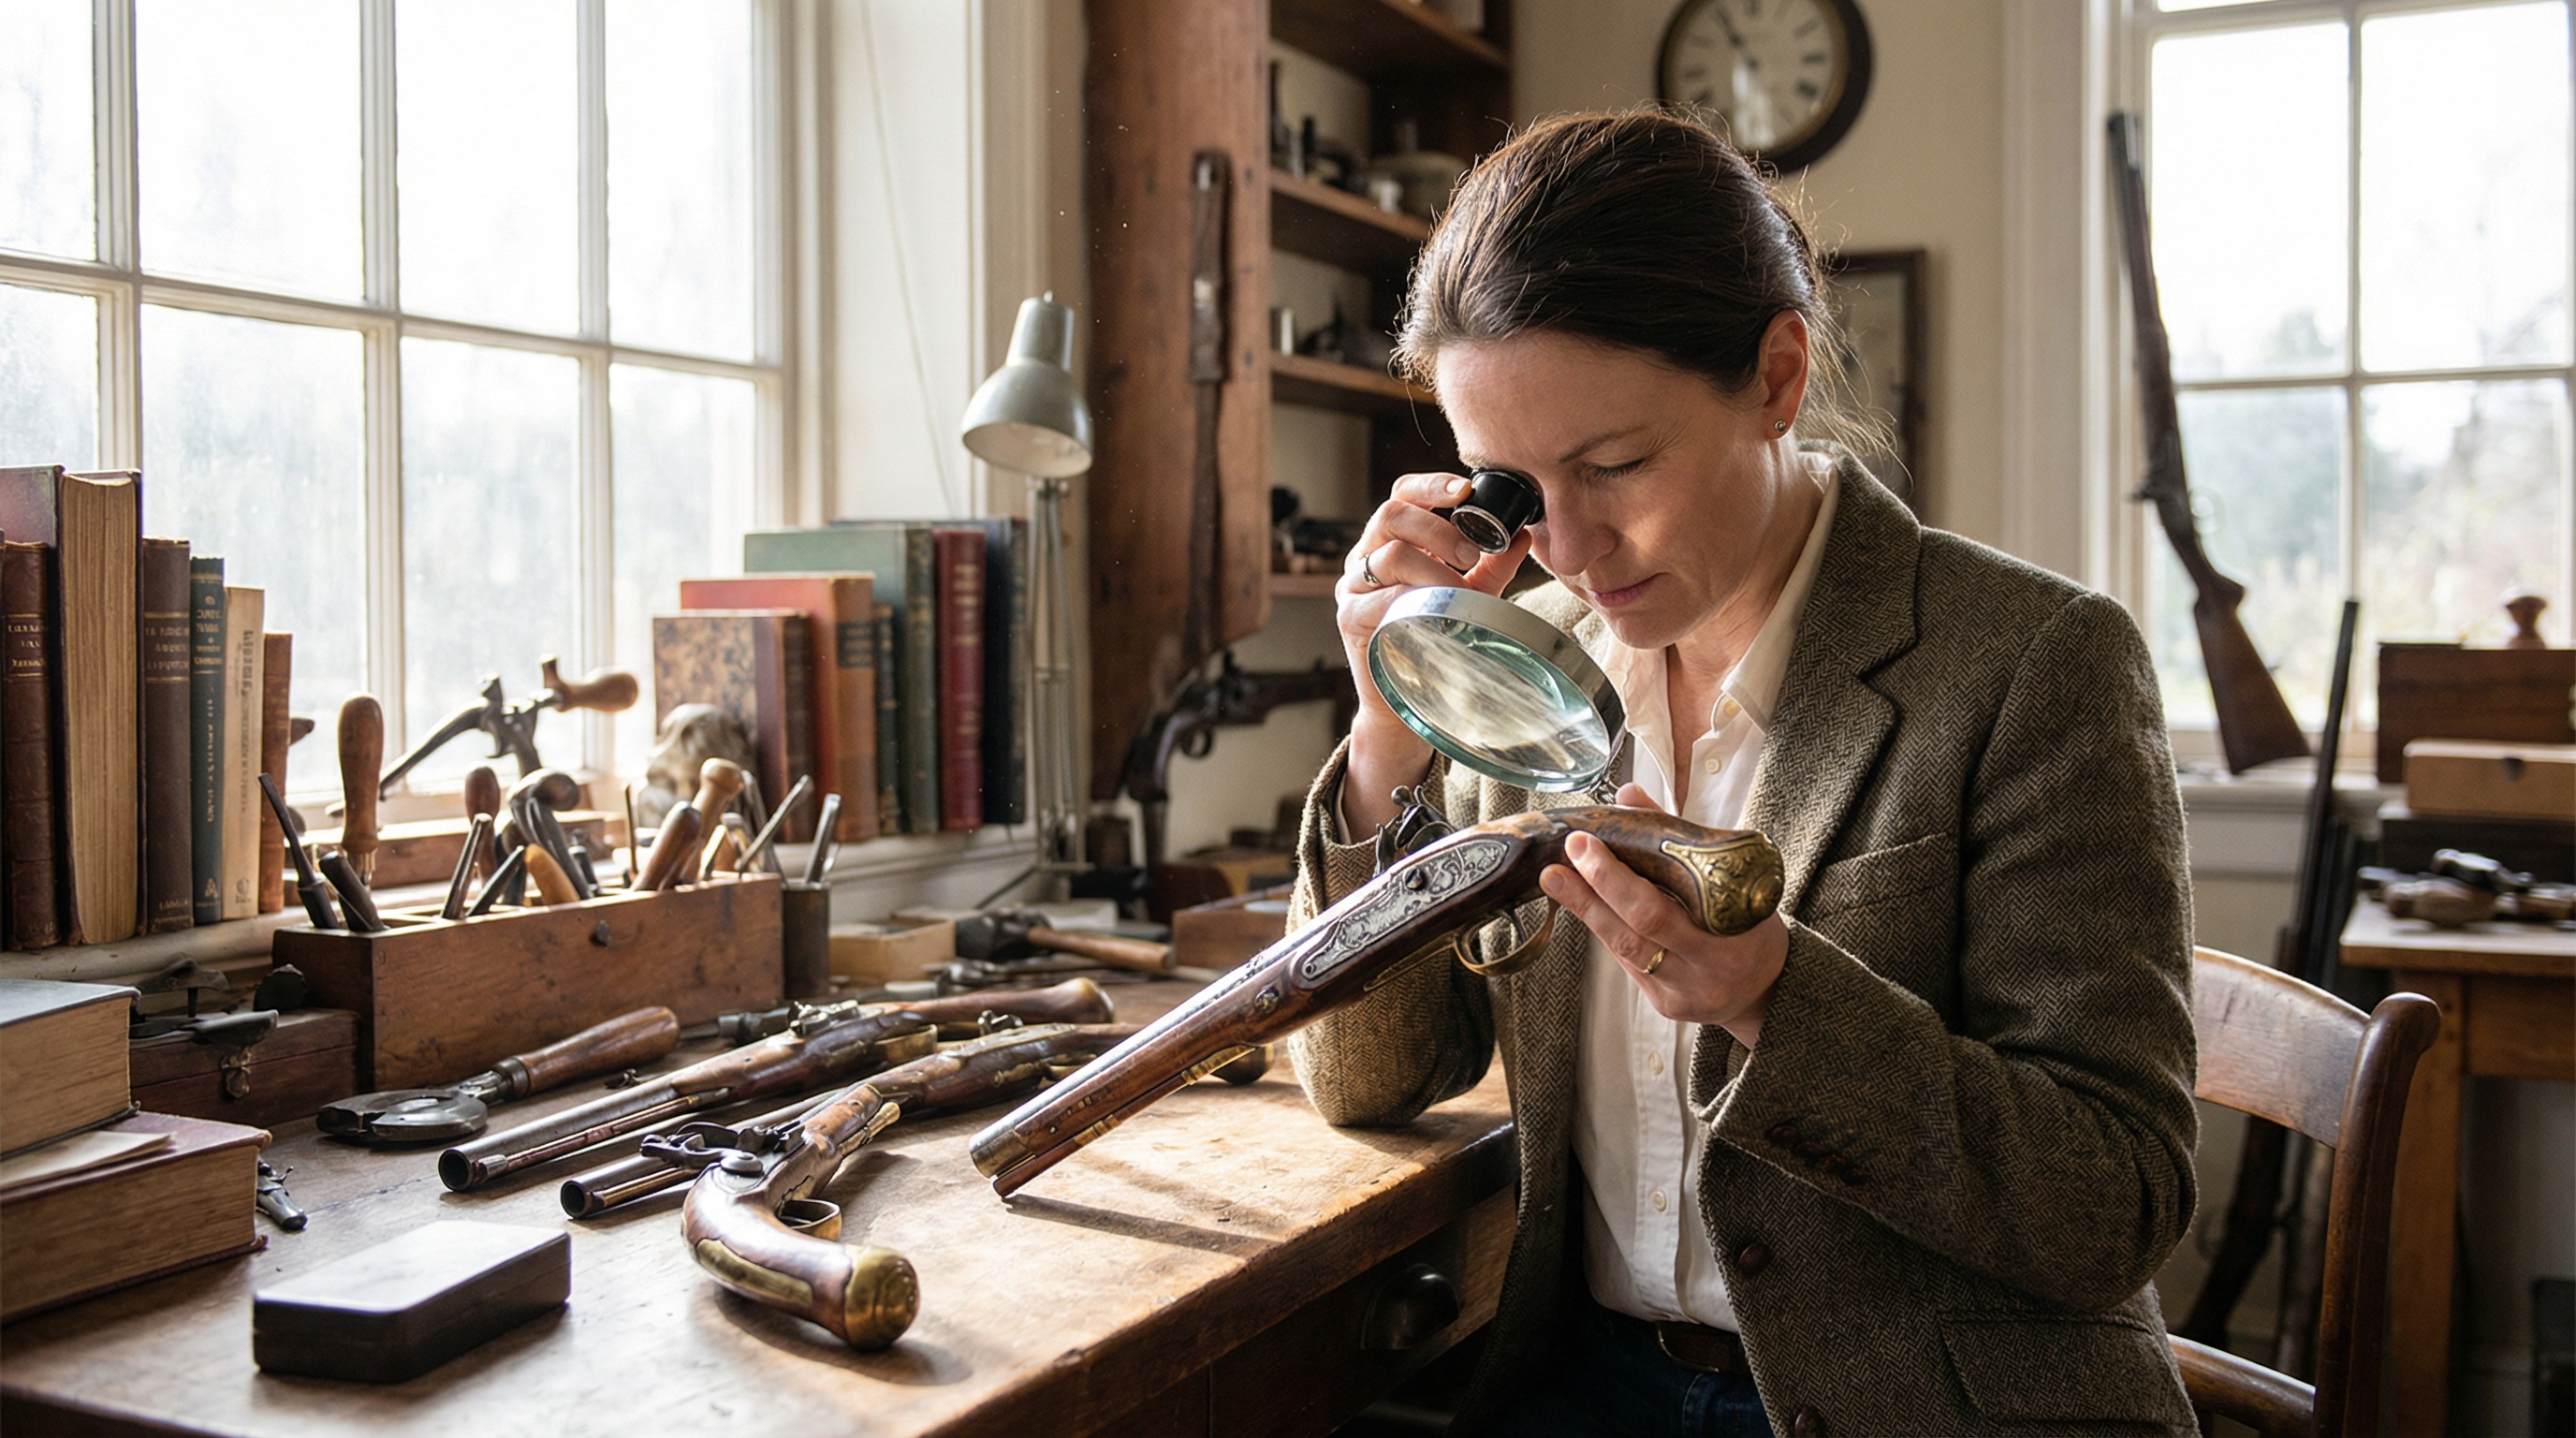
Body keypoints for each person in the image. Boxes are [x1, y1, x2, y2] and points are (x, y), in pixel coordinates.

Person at [1287, 110, 2200, 1438]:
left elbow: (2113, 1203)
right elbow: (1364, 1080)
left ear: (1778, 376)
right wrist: (1386, 741)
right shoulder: (1529, 679)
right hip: (1581, 1379)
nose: (1574, 549)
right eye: (1520, 491)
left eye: (1615, 466)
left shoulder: (2034, 665)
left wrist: (1777, 998)